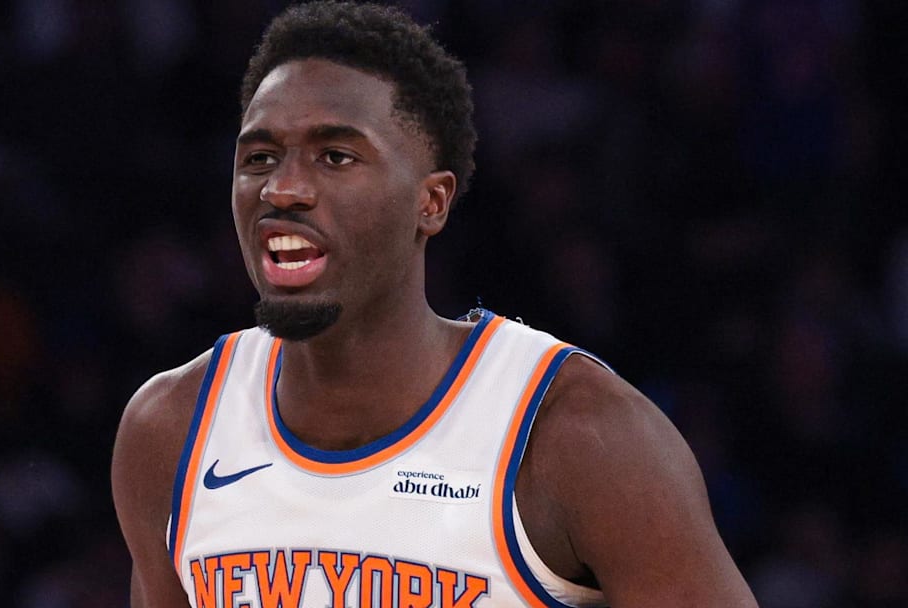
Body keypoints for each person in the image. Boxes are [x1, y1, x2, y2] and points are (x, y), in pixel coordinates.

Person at [111, 2, 758, 606]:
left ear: (432, 202)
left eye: (335, 156)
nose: (283, 187)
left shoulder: (578, 436)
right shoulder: (169, 431)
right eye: (260, 156)